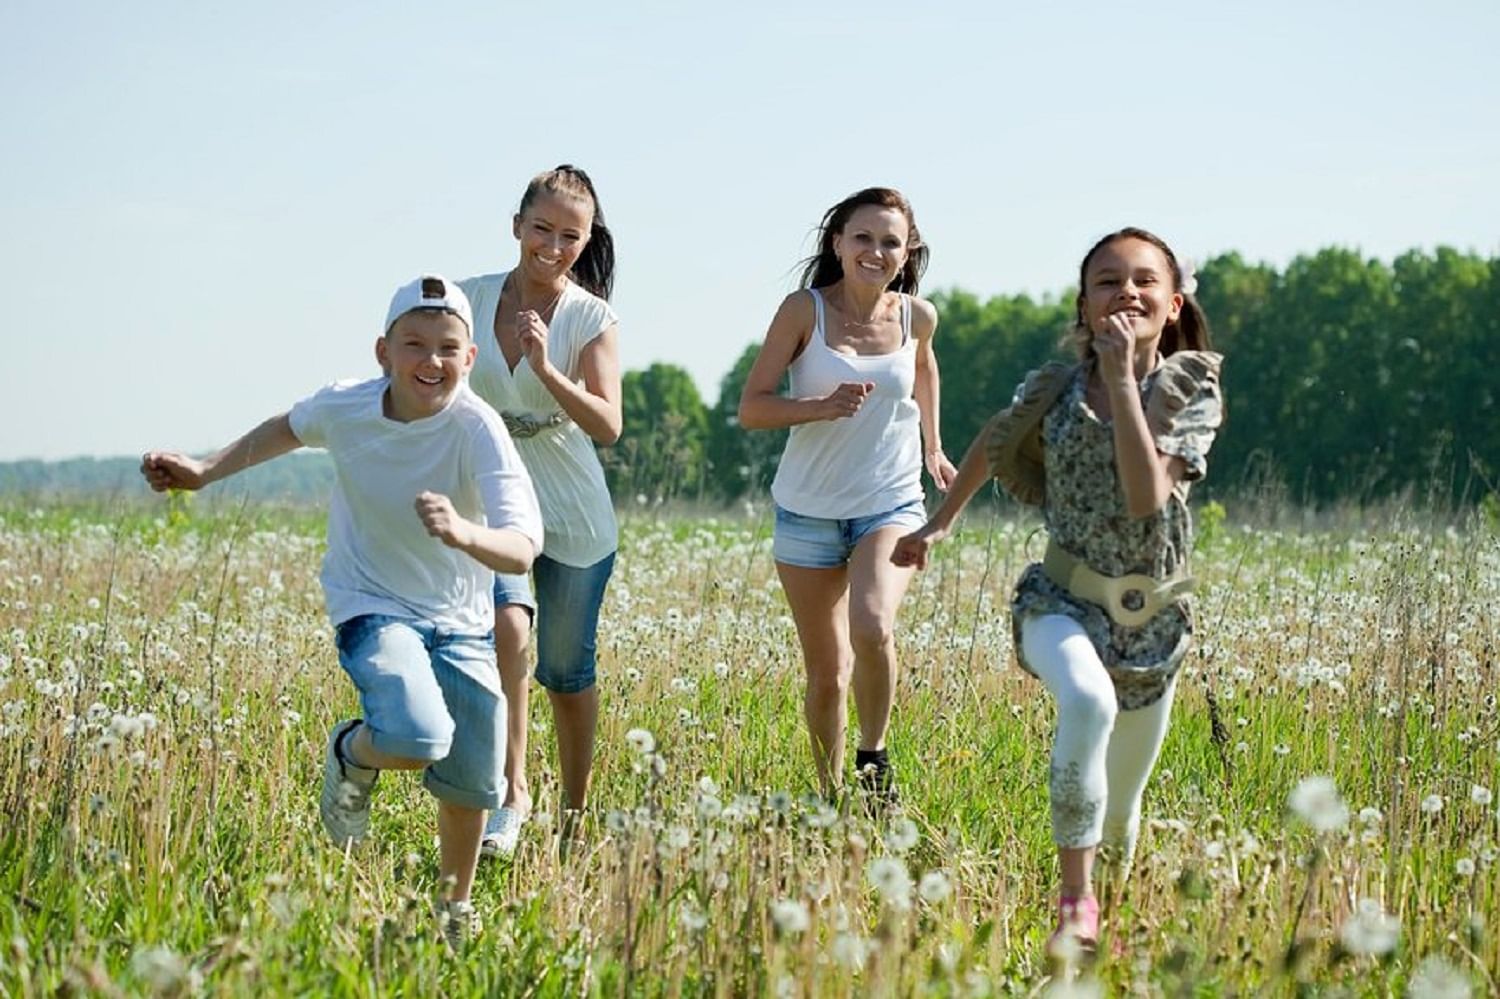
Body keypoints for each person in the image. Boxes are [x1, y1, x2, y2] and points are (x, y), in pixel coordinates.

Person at [140, 275, 544, 943]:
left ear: (470, 359)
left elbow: (522, 545)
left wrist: (464, 534)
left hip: (463, 618)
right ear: (383, 350)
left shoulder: (481, 429)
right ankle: (350, 752)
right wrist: (205, 471)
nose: (431, 361)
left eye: (448, 347)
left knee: (474, 781)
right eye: (414, 344)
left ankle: (453, 912)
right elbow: (287, 429)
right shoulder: (347, 405)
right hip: (373, 604)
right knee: (416, 736)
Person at [893, 228, 1223, 954]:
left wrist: (1128, 381)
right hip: (1060, 600)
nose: (1125, 292)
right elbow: (995, 435)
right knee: (1086, 700)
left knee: (1122, 809)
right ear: (1084, 303)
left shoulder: (1189, 389)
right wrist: (940, 522)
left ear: (1172, 304)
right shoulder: (1056, 386)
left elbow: (1145, 496)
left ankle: (1100, 937)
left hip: (1153, 621)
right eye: (1107, 280)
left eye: (1142, 281)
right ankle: (1074, 901)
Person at [739, 187, 956, 801]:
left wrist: (932, 447)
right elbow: (752, 408)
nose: (876, 251)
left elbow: (924, 368)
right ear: (838, 243)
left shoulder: (918, 316)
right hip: (807, 510)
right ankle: (830, 796)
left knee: (873, 623)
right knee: (828, 675)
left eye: (891, 241)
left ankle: (873, 760)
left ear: (907, 251)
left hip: (888, 502)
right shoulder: (802, 312)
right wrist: (819, 406)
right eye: (863, 238)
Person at [458, 165, 621, 857]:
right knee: (506, 635)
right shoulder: (463, 300)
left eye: (569, 236)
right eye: (542, 229)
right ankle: (512, 792)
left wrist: (548, 369)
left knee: (564, 669)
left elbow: (609, 424)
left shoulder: (591, 317)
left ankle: (575, 816)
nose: (552, 246)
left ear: (585, 243)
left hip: (575, 509)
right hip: (498, 497)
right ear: (517, 225)